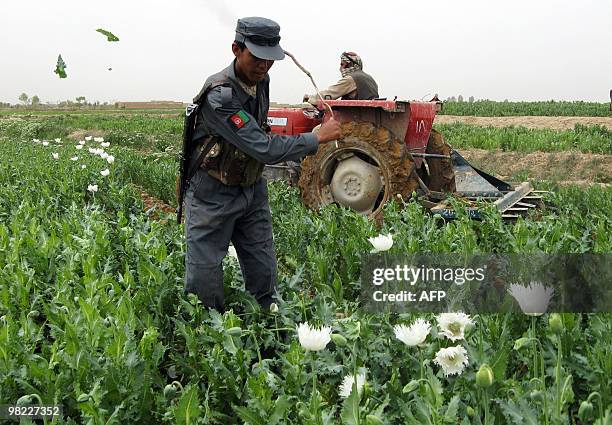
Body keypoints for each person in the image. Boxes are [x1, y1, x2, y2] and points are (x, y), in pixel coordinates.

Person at [184, 16, 341, 312]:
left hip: (252, 189)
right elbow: (264, 147)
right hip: (212, 195)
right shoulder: (220, 96)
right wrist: (315, 138)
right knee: (203, 285)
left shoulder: (261, 80)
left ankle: (268, 331)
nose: (263, 67)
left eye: (270, 61)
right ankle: (209, 342)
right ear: (236, 49)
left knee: (263, 272)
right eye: (257, 58)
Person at [303, 51, 379, 105]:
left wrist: (309, 98)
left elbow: (329, 94)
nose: (341, 68)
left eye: (342, 64)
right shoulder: (370, 78)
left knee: (317, 128)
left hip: (355, 118)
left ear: (350, 65)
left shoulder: (351, 79)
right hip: (369, 116)